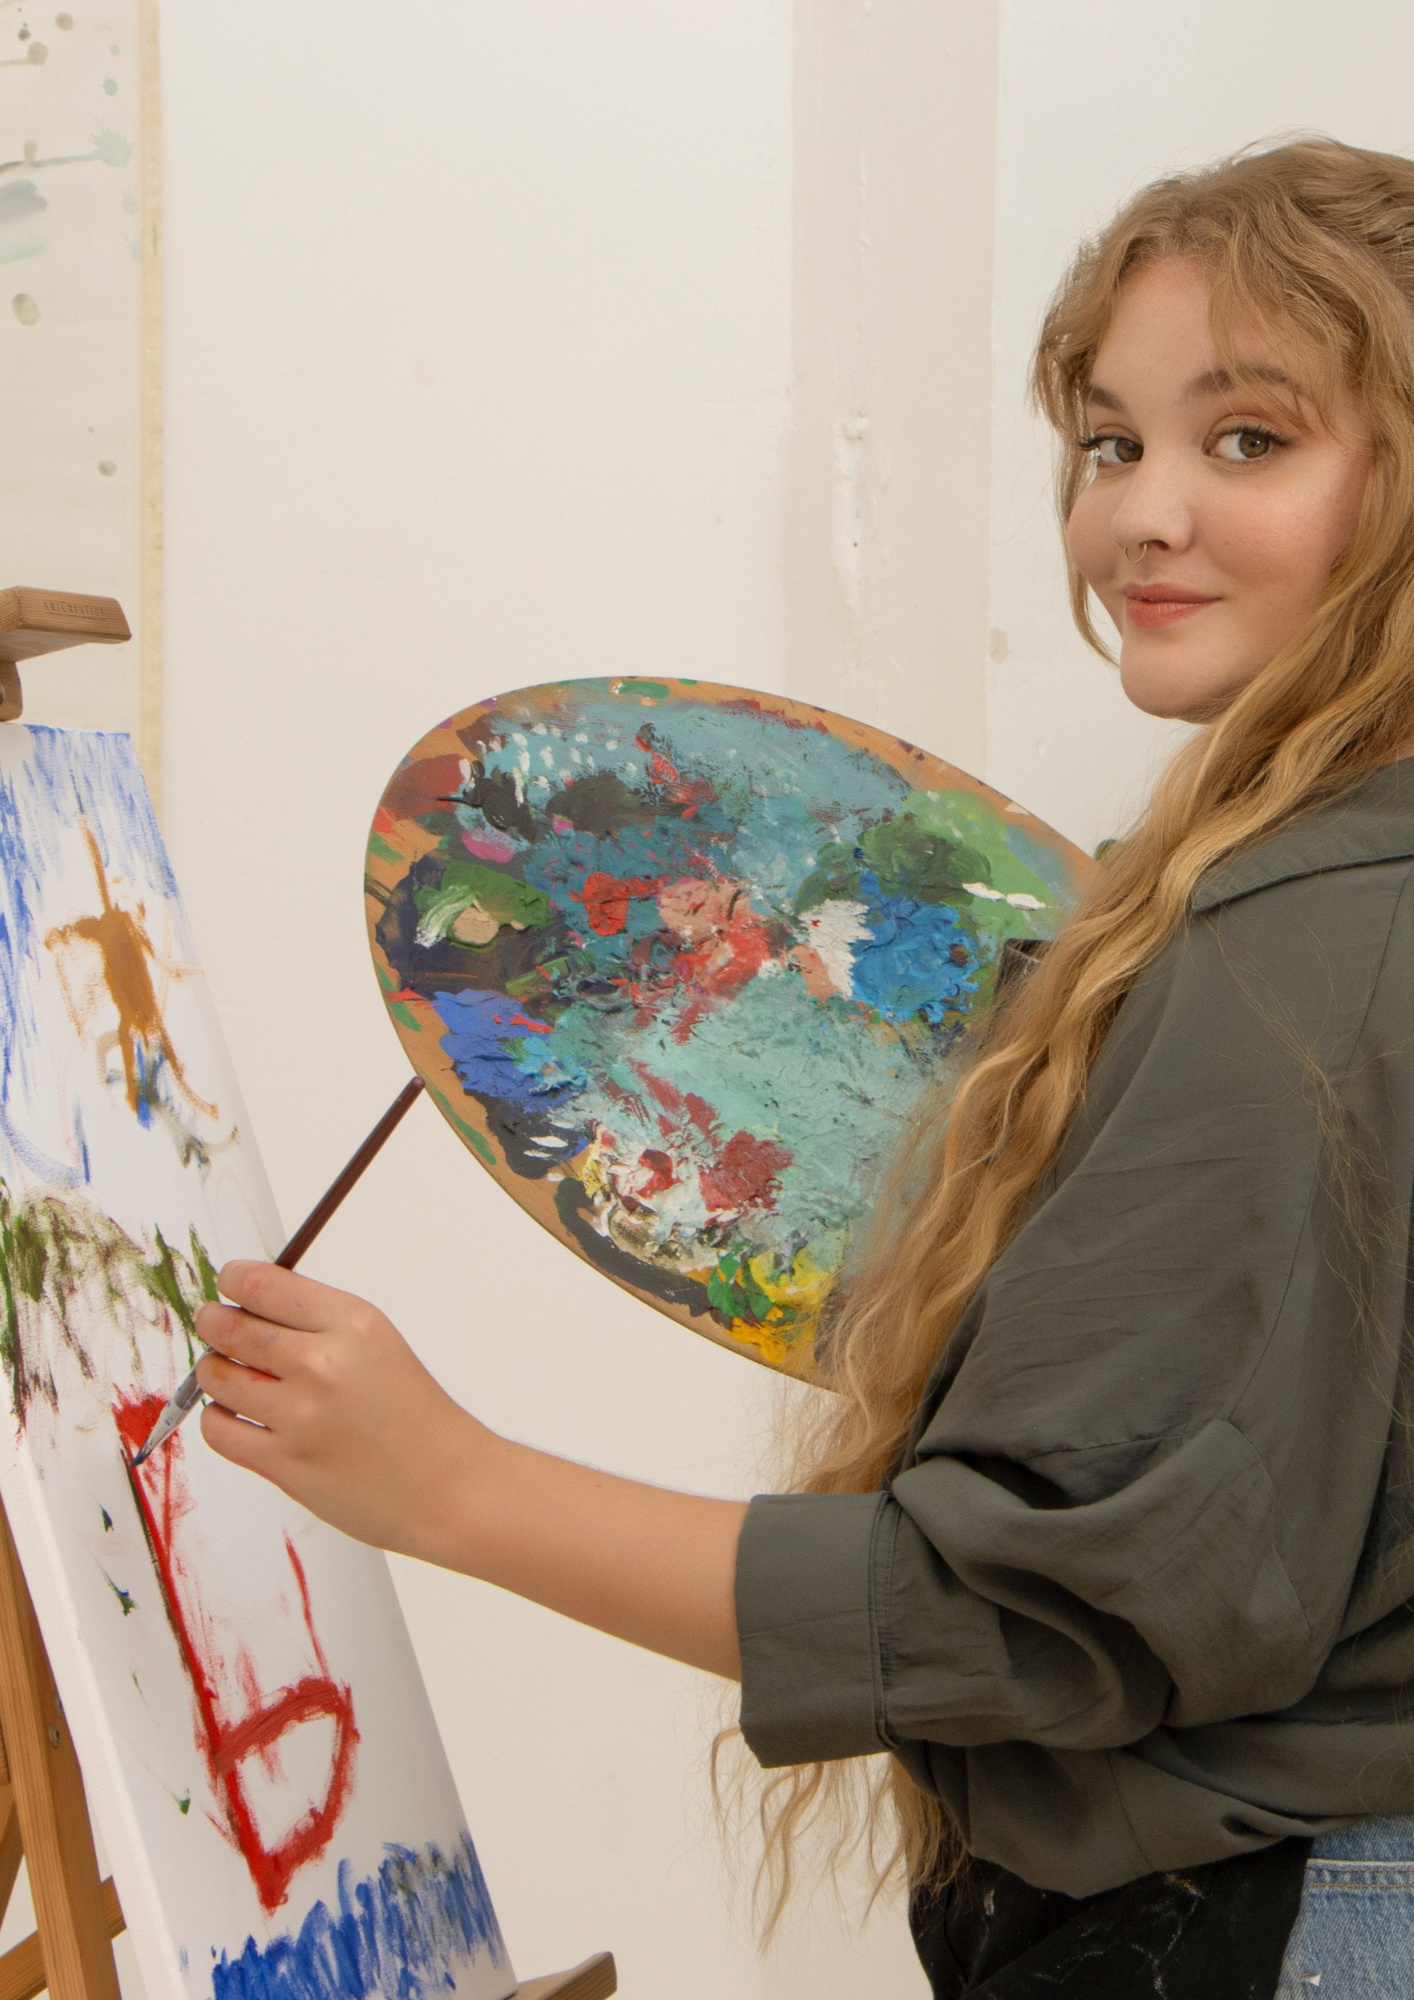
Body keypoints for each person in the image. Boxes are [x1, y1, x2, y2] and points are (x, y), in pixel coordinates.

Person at [189, 138, 1414, 1998]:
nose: (1141, 515)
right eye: (1108, 441)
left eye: (1247, 439)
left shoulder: (1308, 939)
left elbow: (1044, 1618)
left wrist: (450, 1486)